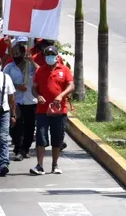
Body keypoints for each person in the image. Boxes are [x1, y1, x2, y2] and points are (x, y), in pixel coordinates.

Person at [31, 45, 74, 176]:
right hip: (42, 110)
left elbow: (71, 86)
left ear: (56, 56)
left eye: (51, 55)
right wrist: (38, 96)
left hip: (59, 110)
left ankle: (55, 165)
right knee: (41, 137)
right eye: (47, 55)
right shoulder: (40, 70)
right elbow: (34, 88)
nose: (49, 57)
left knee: (57, 138)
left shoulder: (64, 70)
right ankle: (39, 165)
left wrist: (61, 95)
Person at [5, 40, 37, 161]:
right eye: (13, 53)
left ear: (23, 53)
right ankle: (18, 149)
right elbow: (4, 82)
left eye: (17, 53)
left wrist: (32, 61)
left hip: (30, 101)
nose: (15, 56)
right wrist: (17, 86)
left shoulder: (31, 66)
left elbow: (41, 73)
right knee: (16, 126)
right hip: (16, 102)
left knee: (29, 127)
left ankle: (25, 149)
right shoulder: (9, 68)